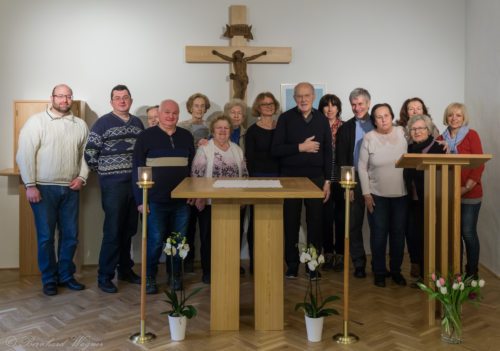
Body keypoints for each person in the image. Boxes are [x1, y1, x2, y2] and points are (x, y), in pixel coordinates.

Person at [16, 84, 89, 296]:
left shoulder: (80, 125)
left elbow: (86, 155)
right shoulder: (36, 122)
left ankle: (65, 276)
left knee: (70, 236)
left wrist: (82, 177)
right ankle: (49, 279)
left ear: (71, 98)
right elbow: (25, 154)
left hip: (70, 188)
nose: (64, 100)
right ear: (52, 98)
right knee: (46, 237)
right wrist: (30, 185)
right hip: (43, 189)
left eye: (68, 96)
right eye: (60, 96)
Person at [85, 84, 144, 293]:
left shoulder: (138, 123)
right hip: (113, 186)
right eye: (117, 98)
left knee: (129, 229)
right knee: (112, 231)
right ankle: (105, 276)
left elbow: (142, 153)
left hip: (135, 185)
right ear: (111, 102)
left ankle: (125, 270)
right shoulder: (102, 124)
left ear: (131, 100)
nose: (122, 101)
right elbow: (90, 153)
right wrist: (104, 173)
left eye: (125, 97)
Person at [133, 99, 195, 294]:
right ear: (159, 114)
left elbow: (192, 168)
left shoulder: (186, 136)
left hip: (181, 201)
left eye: (175, 113)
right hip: (155, 201)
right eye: (167, 112)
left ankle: (175, 275)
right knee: (155, 241)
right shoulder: (146, 137)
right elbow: (137, 169)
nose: (171, 116)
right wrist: (140, 200)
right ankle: (150, 277)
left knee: (178, 242)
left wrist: (192, 192)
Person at [272, 82, 332, 279]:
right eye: (299, 96)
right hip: (290, 178)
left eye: (307, 95)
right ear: (294, 98)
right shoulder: (285, 118)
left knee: (315, 223)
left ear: (313, 97)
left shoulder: (322, 120)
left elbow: (328, 153)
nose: (303, 99)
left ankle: (312, 265)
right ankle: (291, 265)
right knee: (290, 223)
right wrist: (300, 147)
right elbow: (276, 150)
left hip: (316, 179)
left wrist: (328, 181)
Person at [190, 114, 248, 284]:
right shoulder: (204, 149)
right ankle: (208, 271)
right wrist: (199, 197)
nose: (222, 131)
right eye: (219, 128)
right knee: (208, 238)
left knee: (232, 236)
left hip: (233, 201)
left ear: (230, 130)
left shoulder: (237, 149)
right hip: (209, 202)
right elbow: (196, 174)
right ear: (212, 130)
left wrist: (244, 197)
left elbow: (244, 175)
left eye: (226, 128)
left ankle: (230, 266)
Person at [358, 103, 408, 287]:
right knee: (378, 235)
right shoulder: (369, 138)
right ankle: (379, 271)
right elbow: (362, 168)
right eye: (378, 117)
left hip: (401, 196)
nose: (383, 119)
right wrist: (366, 194)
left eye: (386, 115)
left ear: (391, 116)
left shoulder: (403, 132)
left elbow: (423, 138)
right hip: (377, 195)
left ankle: (396, 271)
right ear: (374, 120)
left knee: (398, 235)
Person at [439, 103, 485, 278]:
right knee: (453, 235)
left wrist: (464, 188)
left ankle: (472, 274)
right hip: (449, 194)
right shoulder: (440, 138)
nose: (454, 118)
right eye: (451, 115)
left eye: (458, 115)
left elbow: (479, 164)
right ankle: (456, 274)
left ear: (464, 117)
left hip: (470, 194)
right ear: (446, 117)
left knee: (467, 232)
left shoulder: (472, 135)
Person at [335, 88, 374, 278]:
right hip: (355, 179)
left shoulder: (379, 123)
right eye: (353, 104)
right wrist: (347, 185)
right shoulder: (346, 128)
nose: (357, 107)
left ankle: (379, 266)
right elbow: (343, 159)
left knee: (378, 225)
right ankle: (359, 264)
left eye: (360, 104)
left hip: (377, 178)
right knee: (353, 224)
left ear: (368, 103)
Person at [403, 115, 446, 285]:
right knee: (417, 237)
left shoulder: (439, 148)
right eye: (414, 129)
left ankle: (436, 278)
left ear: (429, 130)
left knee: (432, 239)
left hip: (434, 201)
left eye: (421, 128)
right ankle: (423, 276)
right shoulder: (410, 149)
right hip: (413, 201)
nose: (417, 132)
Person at [245, 92, 281, 273]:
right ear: (258, 108)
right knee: (256, 222)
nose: (268, 106)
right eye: (264, 104)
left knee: (276, 221)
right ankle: (255, 262)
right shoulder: (252, 131)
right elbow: (249, 160)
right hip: (258, 179)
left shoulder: (282, 127)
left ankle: (273, 261)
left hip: (280, 180)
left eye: (271, 103)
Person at [179, 93, 211, 273]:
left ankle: (207, 264)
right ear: (190, 107)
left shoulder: (210, 128)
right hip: (187, 177)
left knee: (205, 224)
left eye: (202, 106)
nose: (199, 109)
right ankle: (187, 261)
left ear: (206, 108)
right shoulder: (181, 126)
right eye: (196, 105)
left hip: (205, 178)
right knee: (187, 224)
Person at [318, 94, 345, 272]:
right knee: (325, 218)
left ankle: (341, 255)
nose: (330, 109)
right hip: (323, 179)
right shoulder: (317, 126)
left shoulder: (345, 127)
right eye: (326, 106)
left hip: (342, 178)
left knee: (341, 218)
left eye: (333, 105)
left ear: (338, 108)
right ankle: (327, 253)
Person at [224, 98, 249, 275]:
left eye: (239, 113)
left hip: (242, 183)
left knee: (239, 224)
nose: (236, 115)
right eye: (233, 112)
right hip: (222, 185)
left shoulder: (248, 133)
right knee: (223, 223)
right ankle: (224, 259)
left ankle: (235, 261)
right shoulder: (219, 131)